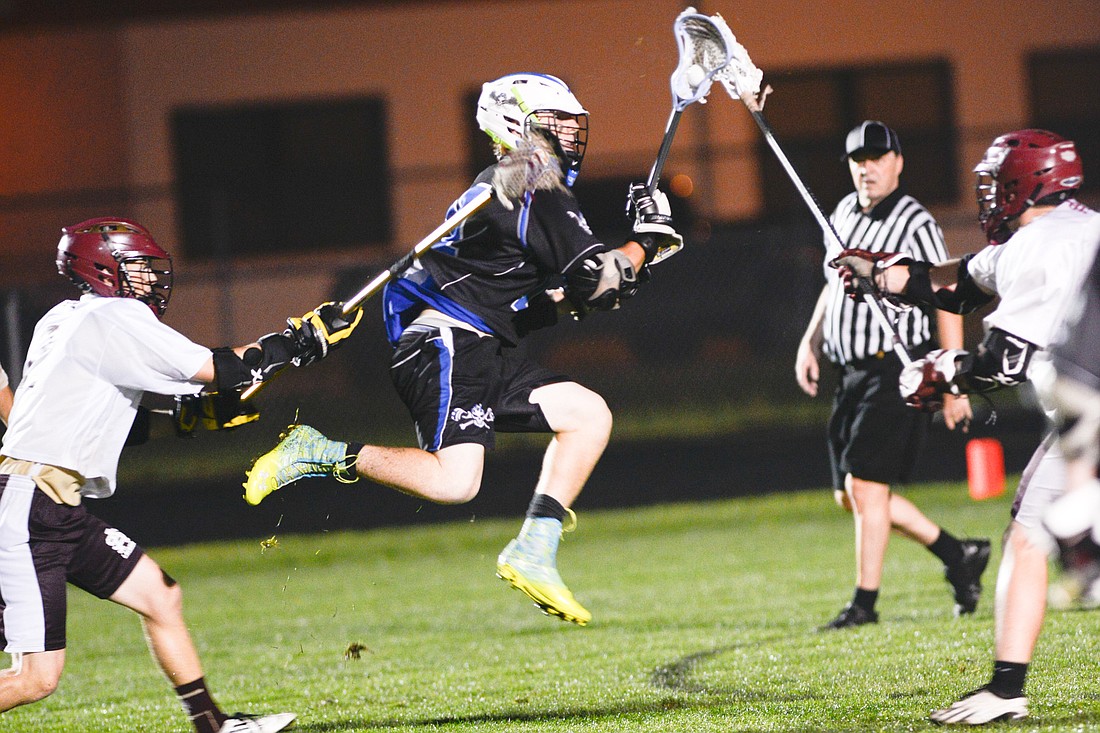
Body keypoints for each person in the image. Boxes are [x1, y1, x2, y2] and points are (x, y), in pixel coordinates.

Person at [242, 72, 683, 627]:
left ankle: (534, 550)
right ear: (513, 125)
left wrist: (630, 259)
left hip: (480, 341)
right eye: (555, 124)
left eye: (575, 126)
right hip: (446, 339)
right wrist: (644, 239)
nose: (570, 135)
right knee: (455, 481)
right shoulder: (529, 182)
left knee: (587, 414)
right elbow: (600, 280)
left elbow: (561, 295)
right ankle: (320, 451)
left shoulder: (512, 183)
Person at [0, 217, 360, 731]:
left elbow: (93, 416)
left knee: (159, 596)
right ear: (104, 269)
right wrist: (300, 343)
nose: (149, 277)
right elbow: (222, 369)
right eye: (138, 266)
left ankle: (213, 726)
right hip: (32, 508)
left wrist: (186, 417)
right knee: (36, 678)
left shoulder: (63, 318)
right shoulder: (116, 317)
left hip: (47, 501)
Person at [833, 128, 1098, 724]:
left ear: (1024, 183)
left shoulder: (1039, 245)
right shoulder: (1069, 227)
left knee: (1039, 539)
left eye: (997, 182)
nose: (989, 195)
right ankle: (1007, 686)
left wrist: (943, 373)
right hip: (1086, 415)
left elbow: (1005, 359)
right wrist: (882, 276)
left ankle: (1007, 689)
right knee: (1041, 538)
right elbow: (957, 282)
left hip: (1093, 420)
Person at [796, 120, 984, 630]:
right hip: (850, 369)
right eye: (859, 159)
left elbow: (947, 294)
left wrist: (952, 377)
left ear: (898, 162)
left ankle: (865, 605)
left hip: (894, 368)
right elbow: (834, 287)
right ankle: (957, 554)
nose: (868, 167)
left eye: (878, 157)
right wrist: (810, 341)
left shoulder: (914, 221)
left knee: (867, 487)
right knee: (851, 494)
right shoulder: (839, 213)